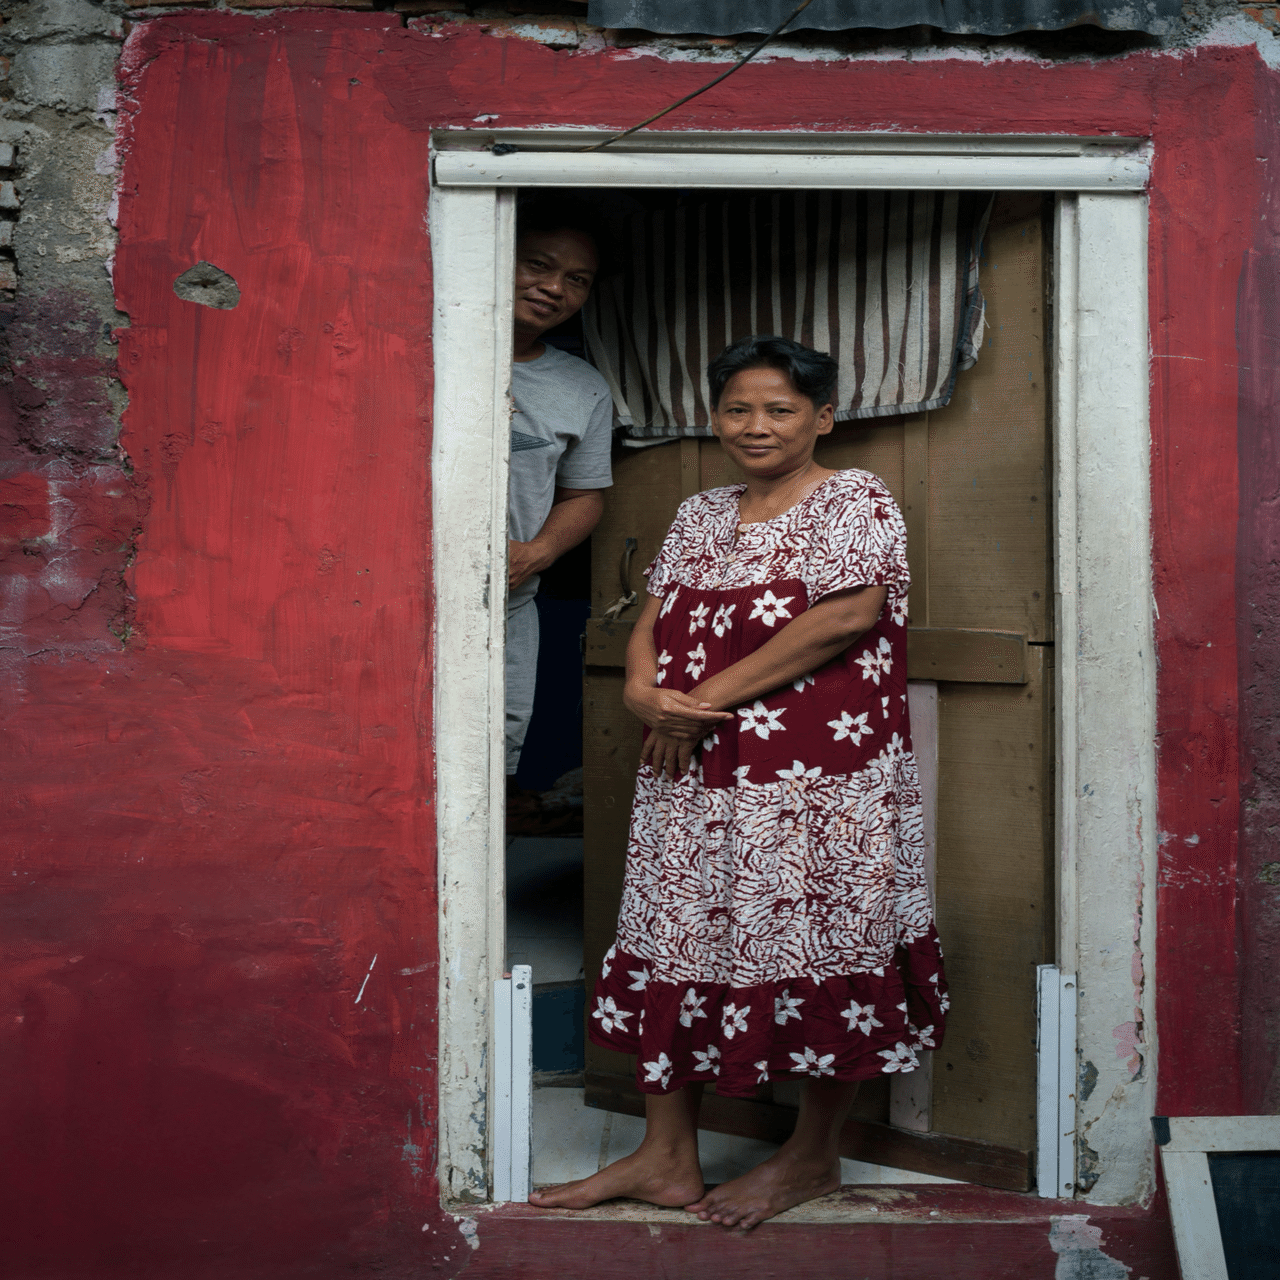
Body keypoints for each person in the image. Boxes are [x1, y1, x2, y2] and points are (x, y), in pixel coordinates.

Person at [528, 336, 948, 1229]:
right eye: (737, 410)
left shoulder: (854, 500)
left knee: (821, 937)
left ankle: (810, 1157)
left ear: (822, 417)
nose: (755, 427)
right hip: (693, 775)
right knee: (678, 933)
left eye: (780, 409)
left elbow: (845, 615)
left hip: (818, 785)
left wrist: (697, 702)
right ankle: (666, 1157)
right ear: (716, 418)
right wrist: (644, 691)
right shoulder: (700, 511)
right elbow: (656, 615)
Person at [506, 201, 614, 793]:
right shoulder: (423, 351)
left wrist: (537, 552)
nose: (554, 288)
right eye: (537, 265)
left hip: (510, 607)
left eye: (577, 280)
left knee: (491, 761)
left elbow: (587, 493)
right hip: (396, 601)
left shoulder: (582, 387)